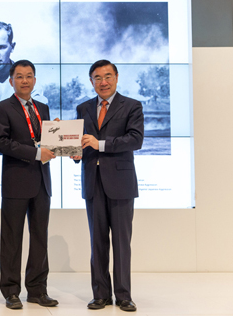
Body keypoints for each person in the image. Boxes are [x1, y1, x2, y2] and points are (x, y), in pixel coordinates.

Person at [72, 60, 143, 312]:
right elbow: (80, 143)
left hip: (121, 183)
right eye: (97, 77)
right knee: (97, 241)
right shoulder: (83, 107)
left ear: (116, 77)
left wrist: (99, 143)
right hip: (93, 182)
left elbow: (135, 140)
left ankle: (124, 295)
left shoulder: (132, 106)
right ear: (91, 81)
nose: (103, 82)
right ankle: (100, 294)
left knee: (122, 242)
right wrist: (74, 151)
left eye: (107, 76)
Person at [0, 60, 58, 310]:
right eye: (20, 77)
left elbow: (46, 141)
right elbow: (1, 142)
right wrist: (34, 153)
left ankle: (38, 290)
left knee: (40, 238)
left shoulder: (43, 107)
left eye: (29, 76)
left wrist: (60, 136)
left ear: (35, 80)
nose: (25, 81)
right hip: (16, 181)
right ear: (11, 81)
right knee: (12, 239)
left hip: (42, 182)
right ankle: (10, 291)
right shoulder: (1, 108)